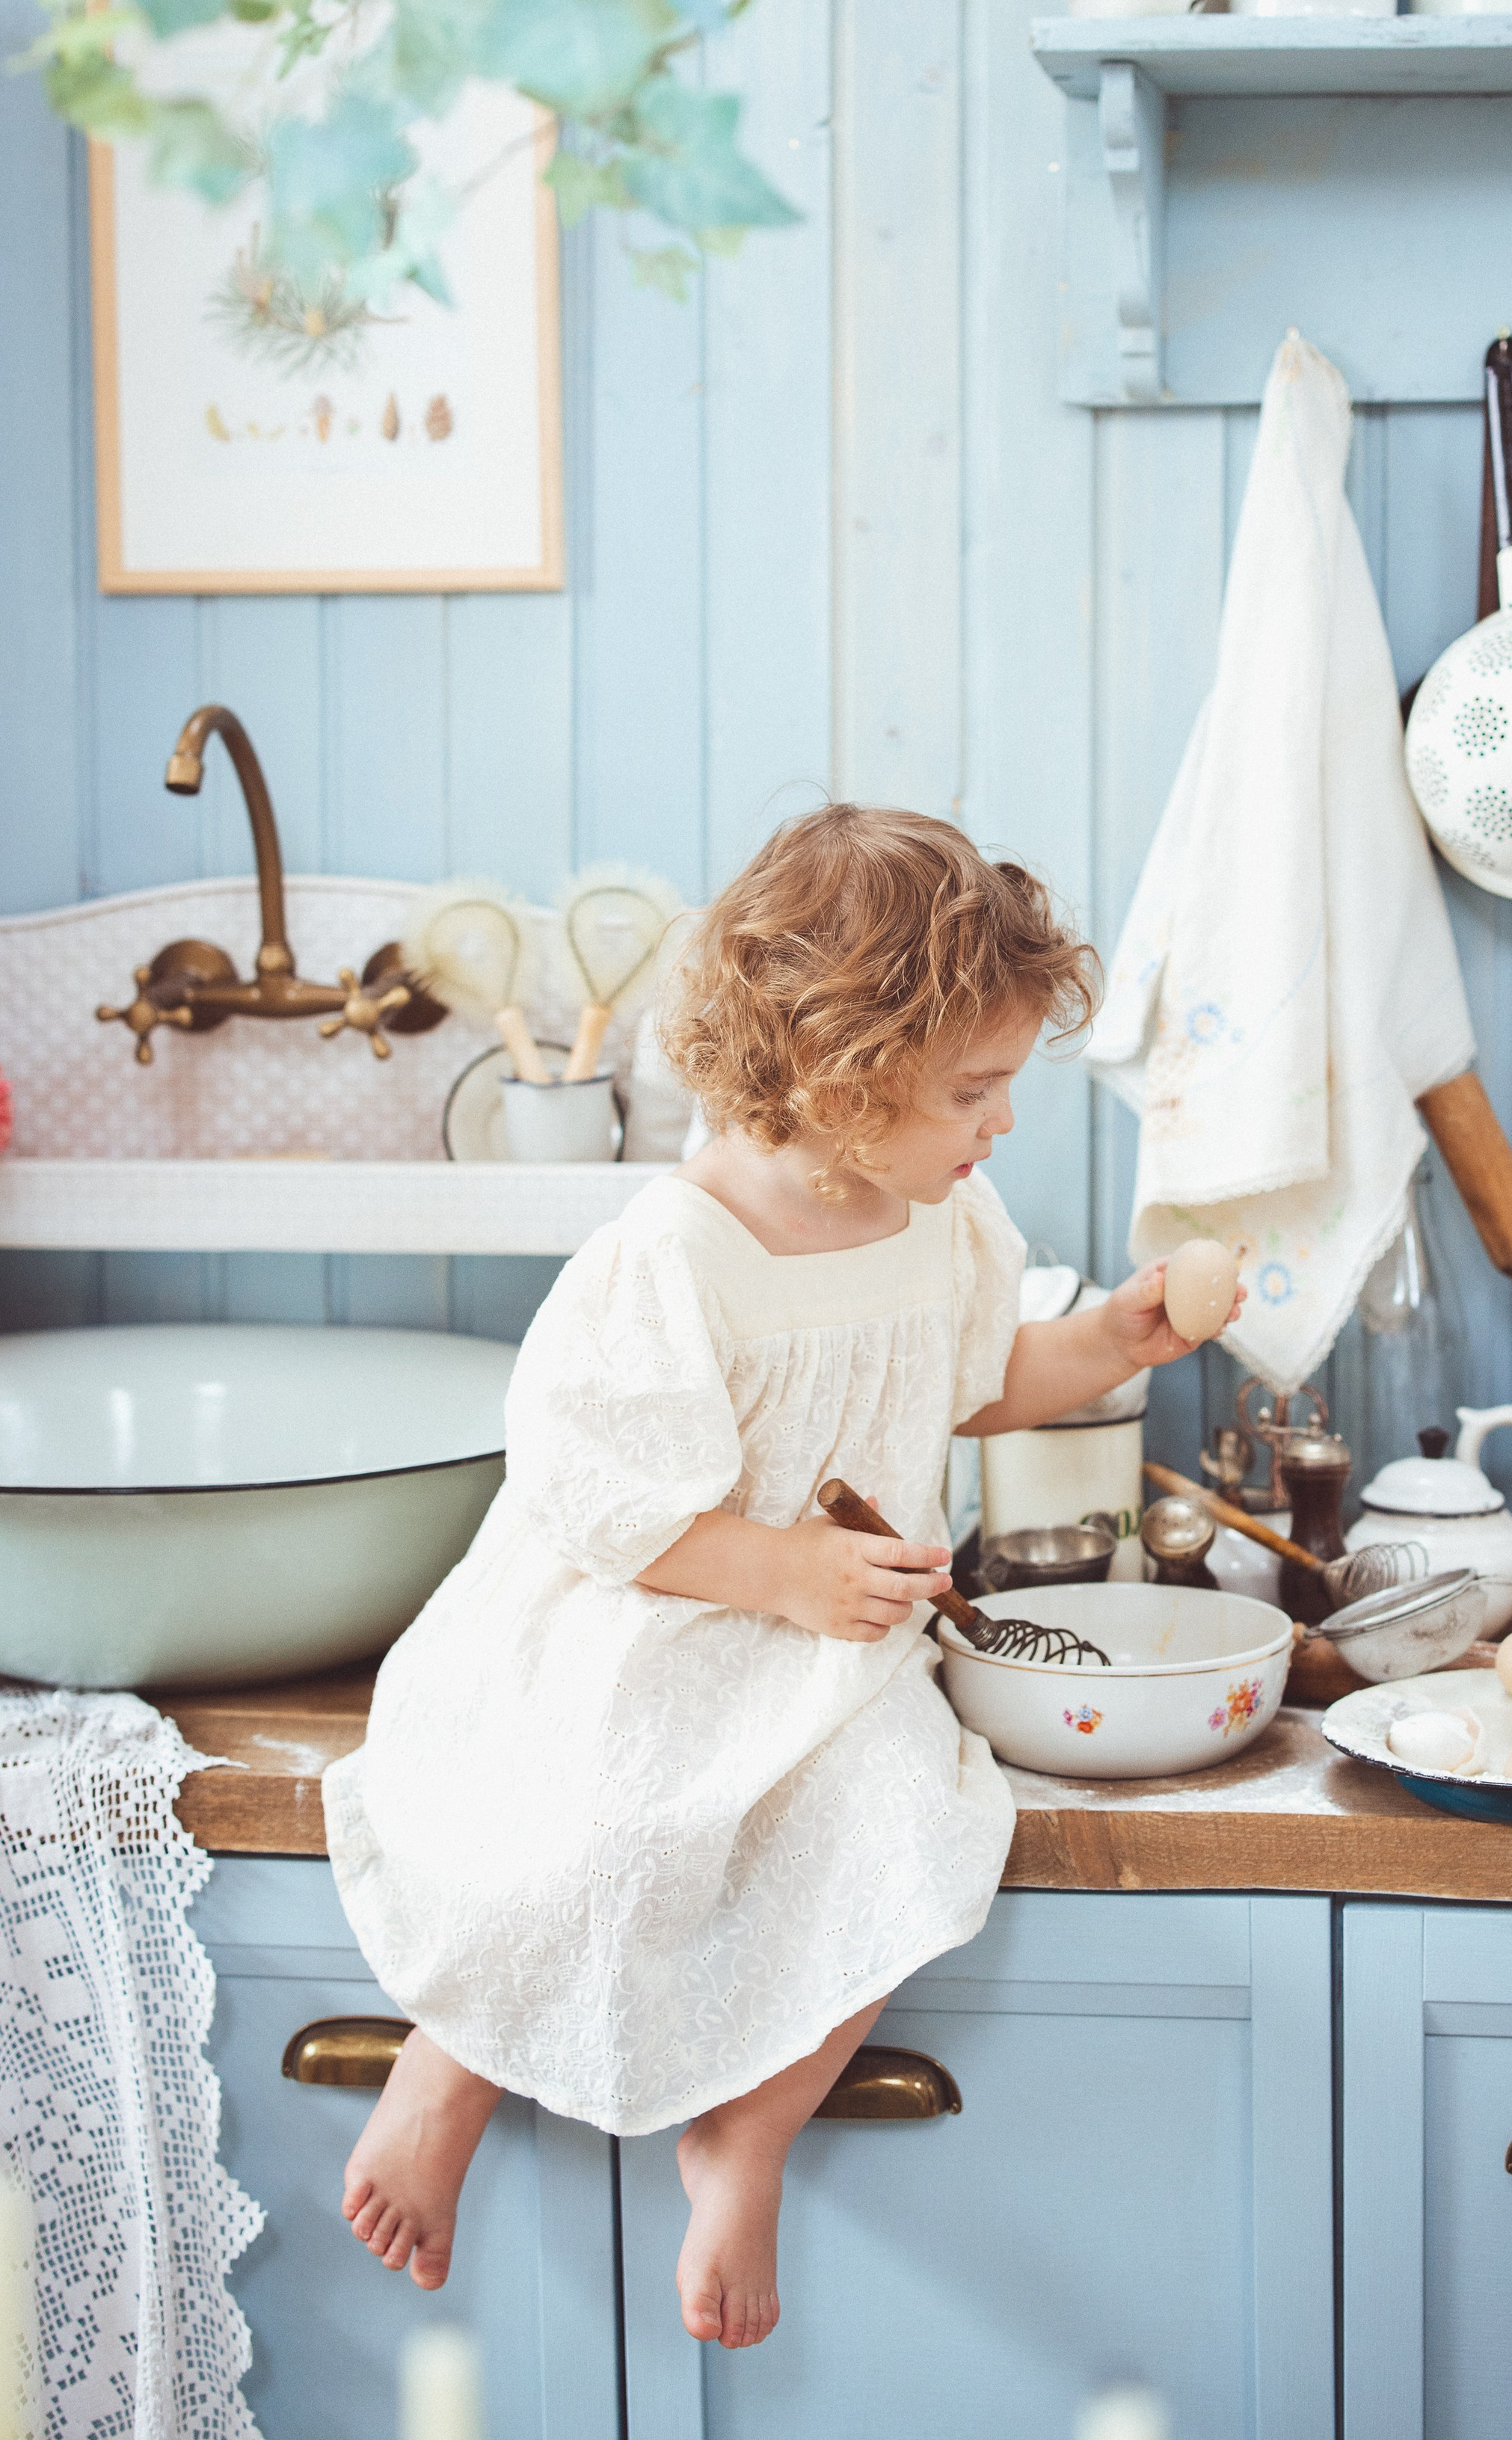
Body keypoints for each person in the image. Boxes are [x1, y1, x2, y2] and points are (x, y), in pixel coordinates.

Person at [322, 805, 1241, 2351]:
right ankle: (451, 2058)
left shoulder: (940, 1210)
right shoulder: (675, 1254)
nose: (1000, 1120)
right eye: (972, 1087)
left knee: (915, 1836)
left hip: (834, 1639)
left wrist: (1107, 1343)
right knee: (598, 1828)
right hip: (660, 1613)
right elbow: (591, 1494)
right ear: (836, 1070)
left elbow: (971, 1378)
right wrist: (775, 1568)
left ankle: (745, 2132)